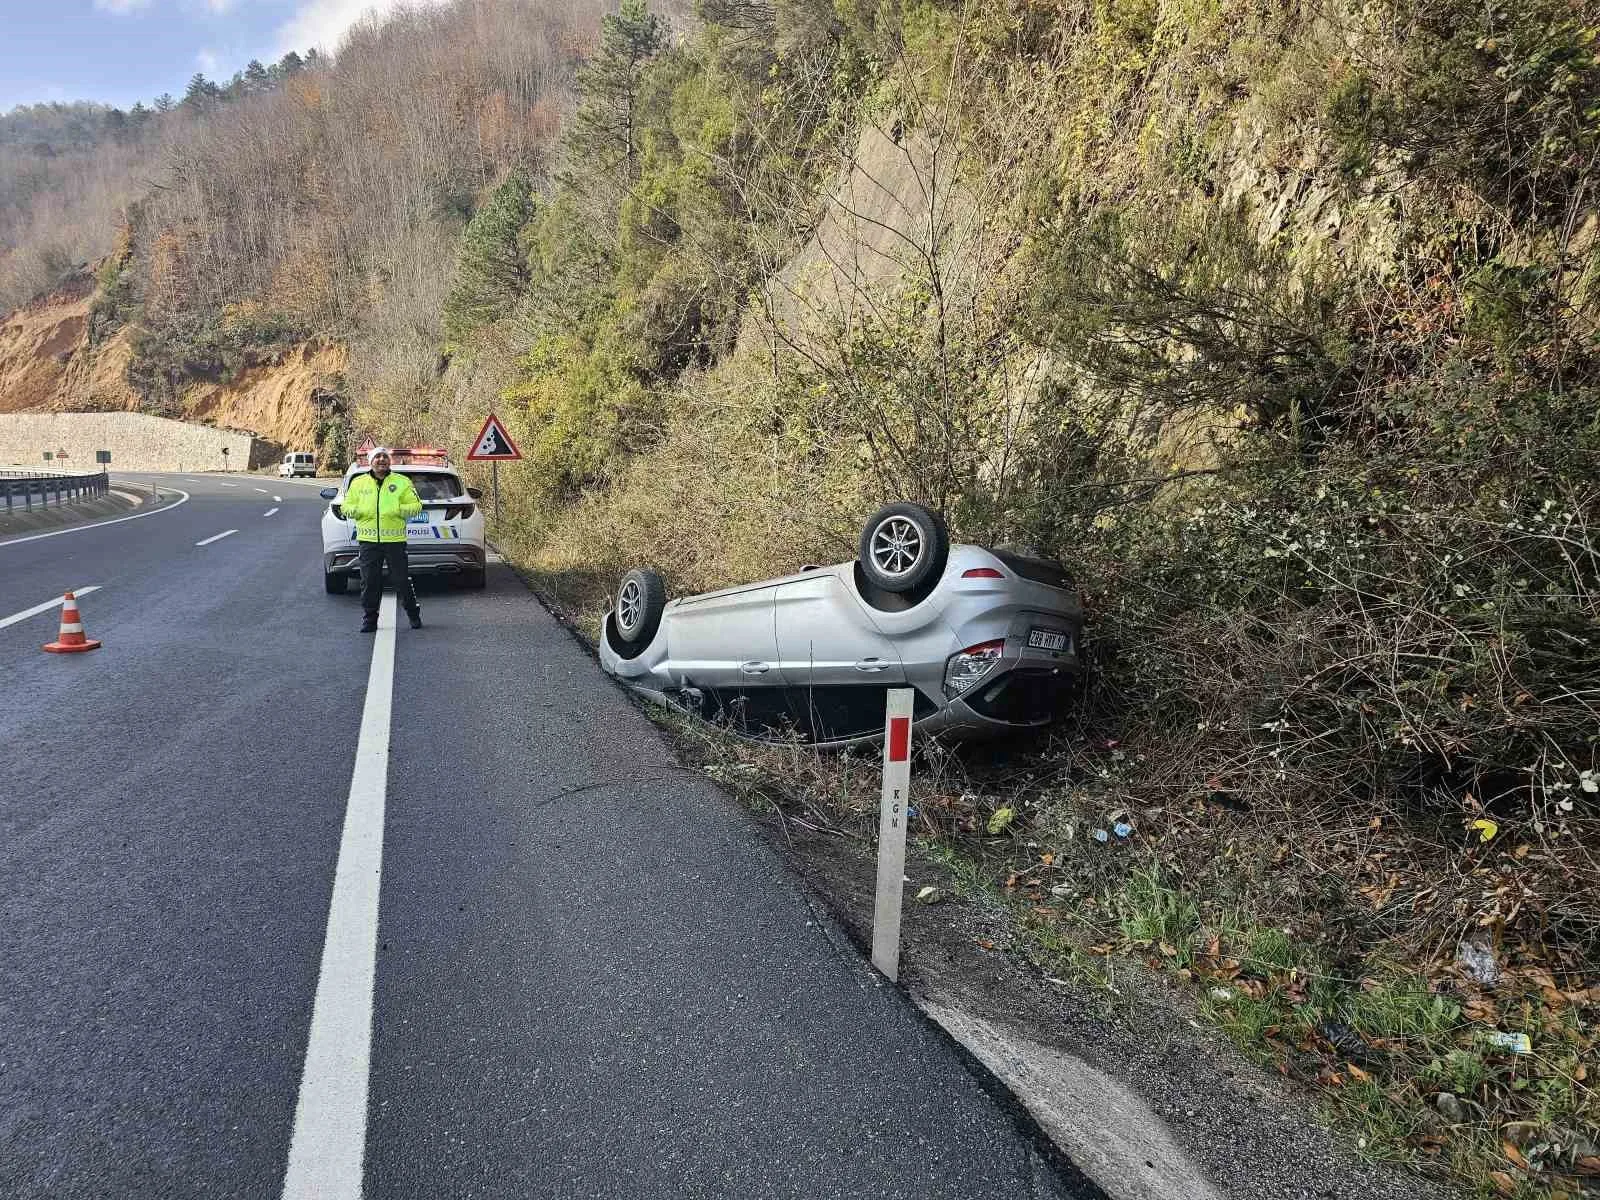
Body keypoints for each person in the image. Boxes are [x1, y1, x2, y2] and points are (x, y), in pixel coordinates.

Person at [342, 448, 423, 632]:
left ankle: (413, 614)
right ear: (370, 461)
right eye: (377, 457)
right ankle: (370, 620)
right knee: (369, 581)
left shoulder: (402, 482)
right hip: (368, 540)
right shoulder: (358, 483)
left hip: (394, 540)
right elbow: (346, 506)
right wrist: (357, 511)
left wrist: (397, 510)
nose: (381, 460)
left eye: (385, 457)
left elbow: (417, 505)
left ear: (390, 461)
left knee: (401, 580)